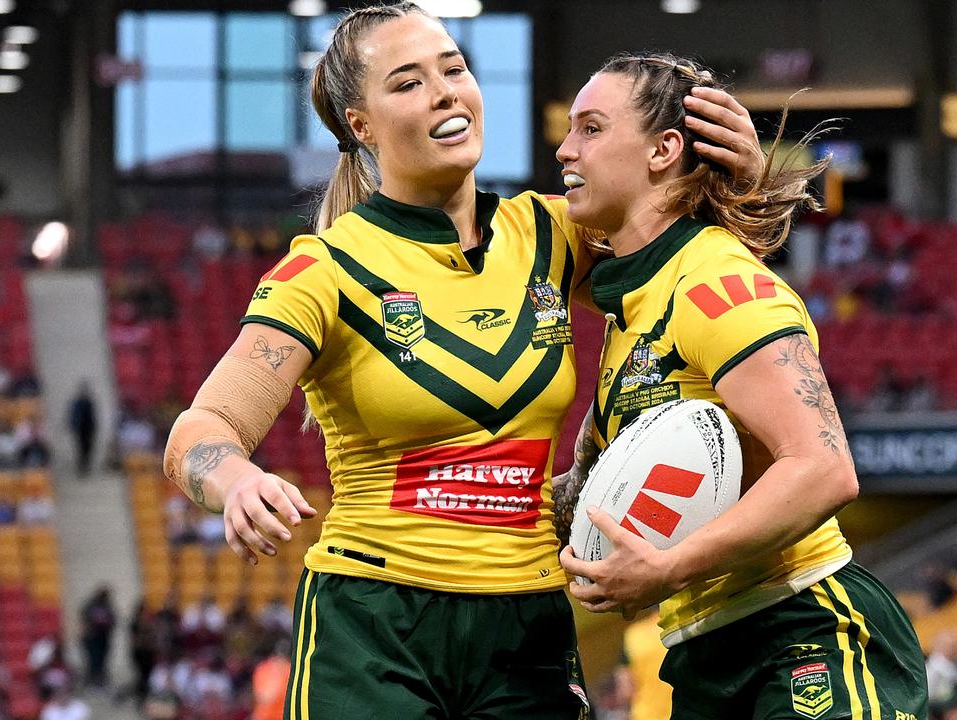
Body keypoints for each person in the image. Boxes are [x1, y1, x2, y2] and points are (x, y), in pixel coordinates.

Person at [161, 4, 763, 719]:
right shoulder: (324, 269)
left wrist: (741, 180)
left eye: (454, 69)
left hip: (528, 627)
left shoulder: (552, 232)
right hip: (375, 628)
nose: (446, 91)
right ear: (362, 126)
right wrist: (233, 482)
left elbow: (691, 276)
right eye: (409, 83)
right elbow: (202, 429)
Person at [553, 53, 929, 720]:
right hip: (707, 652)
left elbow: (825, 470)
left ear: (663, 149)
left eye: (590, 128)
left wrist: (667, 570)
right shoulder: (635, 301)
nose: (564, 148)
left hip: (804, 634)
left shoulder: (719, 286)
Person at [67, 382, 97, 476]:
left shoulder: (89, 402)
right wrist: (73, 427)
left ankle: (86, 464)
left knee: (88, 448)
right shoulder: (76, 403)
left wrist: (94, 427)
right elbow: (73, 416)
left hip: (88, 429)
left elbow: (93, 416)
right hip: (80, 429)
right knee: (80, 448)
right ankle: (81, 465)